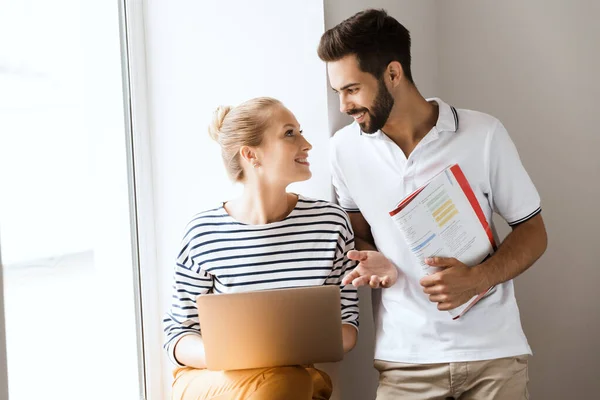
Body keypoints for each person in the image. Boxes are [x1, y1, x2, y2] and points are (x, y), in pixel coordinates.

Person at [318, 9, 548, 400]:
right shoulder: (343, 149)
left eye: (352, 89)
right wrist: (371, 255)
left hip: (493, 354)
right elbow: (359, 235)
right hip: (404, 359)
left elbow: (533, 231)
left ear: (393, 74)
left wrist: (479, 278)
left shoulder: (483, 133)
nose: (343, 105)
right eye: (337, 91)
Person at [163, 97, 359, 400]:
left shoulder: (330, 224)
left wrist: (280, 356)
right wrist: (236, 357)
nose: (307, 144)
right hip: (215, 380)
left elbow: (347, 325)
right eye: (290, 133)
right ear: (251, 154)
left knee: (289, 381)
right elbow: (178, 334)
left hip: (295, 380)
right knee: (286, 382)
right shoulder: (203, 232)